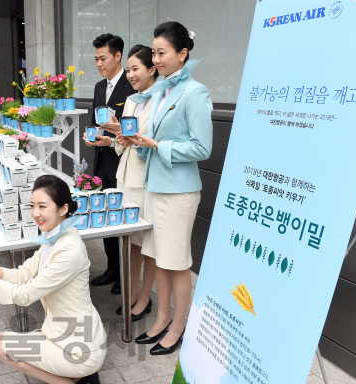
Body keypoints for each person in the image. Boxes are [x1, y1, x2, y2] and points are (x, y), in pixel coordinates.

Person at [0, 175, 106, 384]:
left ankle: (74, 380)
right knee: (3, 344)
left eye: (42, 206)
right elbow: (21, 275)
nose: (35, 213)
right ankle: (78, 375)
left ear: (63, 209)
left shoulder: (69, 250)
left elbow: (23, 295)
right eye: (32, 206)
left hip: (79, 348)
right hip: (64, 334)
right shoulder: (55, 237)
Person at [125, 21, 213, 354]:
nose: (156, 58)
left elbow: (202, 148)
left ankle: (179, 326)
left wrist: (159, 146)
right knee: (159, 258)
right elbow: (156, 140)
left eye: (162, 52)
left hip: (178, 192)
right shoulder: (163, 90)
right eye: (155, 51)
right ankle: (161, 319)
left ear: (183, 53)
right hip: (155, 187)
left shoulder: (195, 92)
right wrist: (140, 143)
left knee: (177, 262)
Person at [87, 44, 159, 320]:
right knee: (129, 240)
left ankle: (143, 297)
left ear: (152, 69)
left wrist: (125, 136)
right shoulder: (133, 101)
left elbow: (150, 143)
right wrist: (113, 138)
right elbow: (123, 145)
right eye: (129, 70)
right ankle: (130, 292)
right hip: (124, 175)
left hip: (145, 179)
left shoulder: (158, 101)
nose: (130, 74)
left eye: (135, 69)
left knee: (144, 243)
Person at [87, 33, 136, 295]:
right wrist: (91, 136)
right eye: (96, 59)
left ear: (118, 56)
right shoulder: (98, 87)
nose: (99, 63)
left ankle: (125, 275)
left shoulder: (133, 85)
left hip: (124, 162)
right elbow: (96, 121)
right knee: (107, 218)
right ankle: (112, 269)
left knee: (123, 222)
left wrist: (110, 138)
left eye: (103, 58)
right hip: (101, 162)